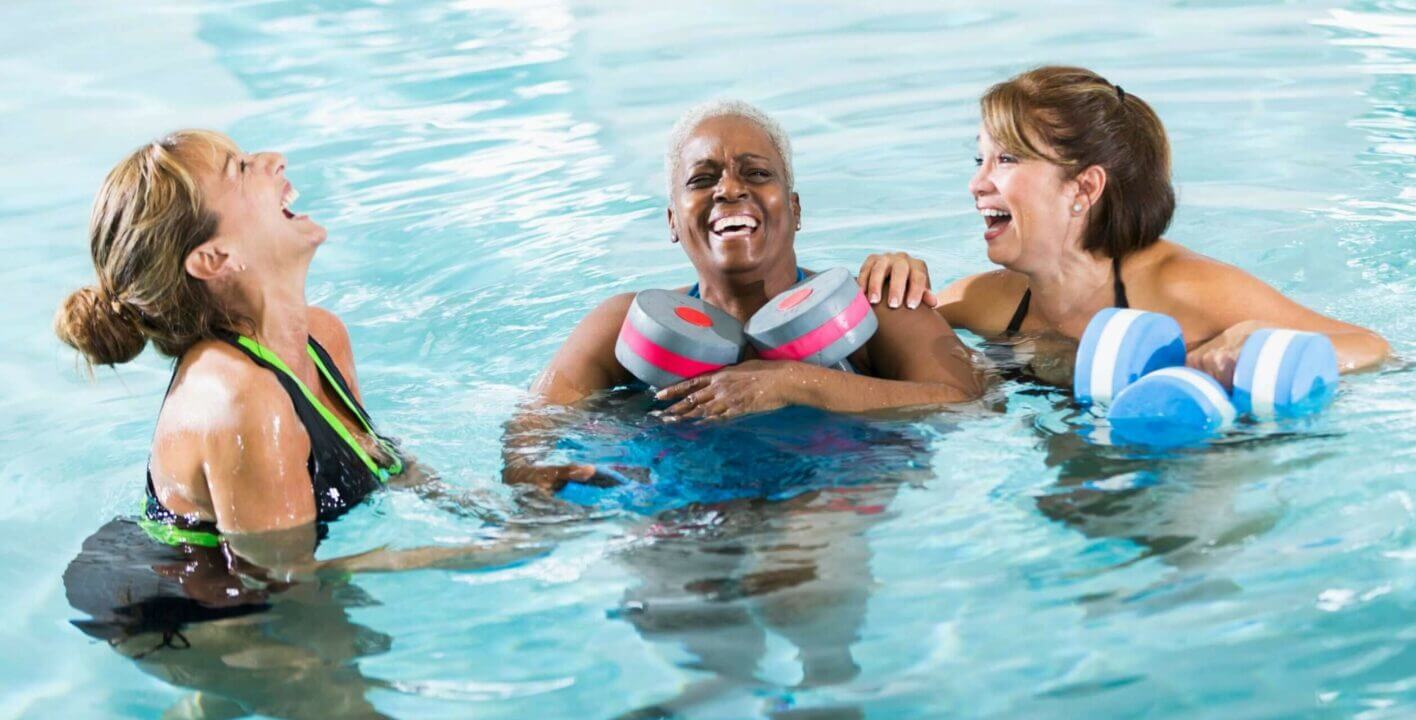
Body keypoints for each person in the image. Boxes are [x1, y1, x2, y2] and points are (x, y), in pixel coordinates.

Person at [56, 130, 530, 645]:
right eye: (238, 169)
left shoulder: (322, 336)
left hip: (245, 582)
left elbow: (377, 458)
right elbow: (285, 583)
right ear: (215, 258)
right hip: (177, 604)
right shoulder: (239, 400)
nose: (274, 160)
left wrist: (504, 514)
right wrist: (473, 555)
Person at [504, 100, 986, 491]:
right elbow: (537, 414)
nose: (728, 190)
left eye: (756, 174)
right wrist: (528, 471)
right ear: (673, 221)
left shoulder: (874, 305)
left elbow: (966, 402)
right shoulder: (621, 325)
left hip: (831, 490)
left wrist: (796, 384)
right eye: (702, 179)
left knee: (793, 566)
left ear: (795, 210)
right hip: (678, 498)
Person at [857, 66, 1389, 387]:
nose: (978, 185)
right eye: (979, 161)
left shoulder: (1179, 287)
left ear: (1085, 189)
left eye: (1008, 161)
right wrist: (894, 280)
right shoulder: (988, 301)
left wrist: (1259, 341)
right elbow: (868, 346)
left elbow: (1371, 348)